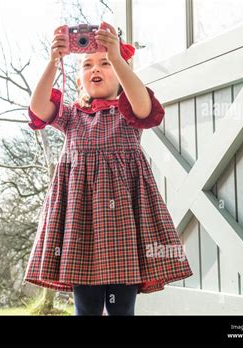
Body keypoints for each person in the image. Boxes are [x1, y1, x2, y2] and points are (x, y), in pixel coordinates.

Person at [23, 21, 193, 316]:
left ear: (121, 74)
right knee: (86, 309)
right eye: (87, 64)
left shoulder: (128, 112)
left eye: (105, 63)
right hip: (81, 228)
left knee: (121, 309)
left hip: (123, 226)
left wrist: (117, 56)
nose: (96, 69)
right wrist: (54, 62)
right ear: (78, 81)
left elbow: (143, 106)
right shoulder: (72, 116)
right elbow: (38, 108)